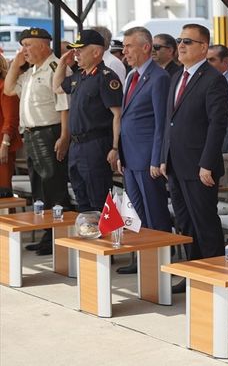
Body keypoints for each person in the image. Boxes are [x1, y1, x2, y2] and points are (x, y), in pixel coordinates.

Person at [160, 24, 228, 280]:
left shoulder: (213, 79)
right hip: (176, 163)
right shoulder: (177, 76)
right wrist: (163, 157)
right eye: (180, 40)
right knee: (185, 222)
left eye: (187, 41)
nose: (181, 45)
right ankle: (193, 274)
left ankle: (214, 276)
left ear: (203, 47)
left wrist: (207, 163)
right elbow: (169, 121)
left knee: (204, 223)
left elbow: (217, 125)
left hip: (199, 166)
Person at [4, 28, 71, 254]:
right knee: (39, 188)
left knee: (54, 187)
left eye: (28, 45)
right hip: (31, 135)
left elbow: (64, 106)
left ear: (43, 46)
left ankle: (56, 237)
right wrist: (15, 65)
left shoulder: (56, 68)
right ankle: (46, 233)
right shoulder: (31, 71)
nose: (24, 50)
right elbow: (9, 89)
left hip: (49, 133)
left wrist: (64, 136)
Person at [53, 29, 123, 212]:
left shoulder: (106, 77)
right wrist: (62, 63)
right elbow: (57, 87)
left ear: (96, 52)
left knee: (99, 199)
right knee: (81, 197)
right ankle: (88, 229)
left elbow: (118, 114)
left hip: (96, 144)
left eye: (80, 50)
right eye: (75, 50)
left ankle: (104, 231)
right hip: (76, 145)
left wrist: (115, 148)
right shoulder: (80, 76)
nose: (76, 54)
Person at [118, 27, 172, 232]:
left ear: (146, 47)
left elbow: (161, 122)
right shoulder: (131, 75)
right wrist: (121, 153)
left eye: (129, 46)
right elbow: (126, 117)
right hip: (129, 158)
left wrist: (156, 159)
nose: (125, 51)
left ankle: (161, 251)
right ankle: (143, 252)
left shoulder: (159, 77)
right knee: (136, 217)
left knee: (154, 214)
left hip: (147, 159)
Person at [0, 56, 22, 195]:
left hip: (2, 146)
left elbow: (11, 119)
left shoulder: (5, 88)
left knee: (3, 191)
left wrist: (5, 144)